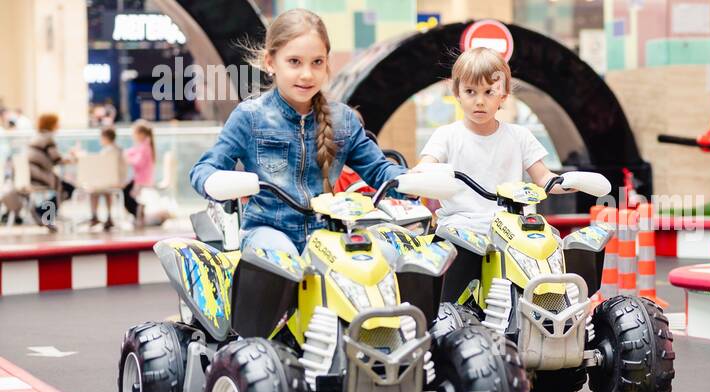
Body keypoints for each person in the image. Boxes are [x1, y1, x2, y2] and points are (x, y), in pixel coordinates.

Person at [187, 8, 412, 255]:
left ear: (327, 63)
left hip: (327, 233)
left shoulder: (343, 119)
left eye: (317, 62)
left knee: (385, 255)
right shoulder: (250, 116)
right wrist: (214, 180)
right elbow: (203, 170)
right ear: (270, 62)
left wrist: (413, 181)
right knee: (281, 255)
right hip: (267, 231)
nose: (306, 74)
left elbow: (380, 170)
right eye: (294, 61)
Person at [408, 46, 607, 303]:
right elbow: (426, 167)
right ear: (456, 92)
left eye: (489, 92)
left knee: (550, 247)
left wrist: (572, 182)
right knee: (450, 294)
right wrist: (420, 176)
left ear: (503, 94)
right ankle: (448, 318)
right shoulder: (447, 136)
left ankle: (559, 310)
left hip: (513, 228)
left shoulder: (519, 136)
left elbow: (545, 179)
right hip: (463, 227)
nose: (479, 100)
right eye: (470, 91)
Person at [26, 114, 77, 231]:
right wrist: (73, 158)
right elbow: (57, 159)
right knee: (68, 189)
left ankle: (43, 212)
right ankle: (43, 213)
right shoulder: (48, 139)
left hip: (32, 174)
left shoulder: (37, 137)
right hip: (39, 175)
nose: (59, 125)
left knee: (63, 187)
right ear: (52, 124)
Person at [88, 126, 126, 230]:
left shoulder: (107, 151)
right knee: (105, 191)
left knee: (94, 190)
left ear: (105, 137)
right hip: (118, 181)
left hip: (111, 182)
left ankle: (94, 216)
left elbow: (102, 169)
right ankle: (109, 217)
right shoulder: (119, 150)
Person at [123, 120, 155, 228]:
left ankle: (138, 212)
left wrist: (127, 159)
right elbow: (132, 152)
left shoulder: (145, 147)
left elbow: (138, 162)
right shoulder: (144, 145)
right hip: (139, 178)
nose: (133, 136)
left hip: (142, 180)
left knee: (125, 193)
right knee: (125, 191)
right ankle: (138, 212)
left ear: (141, 134)